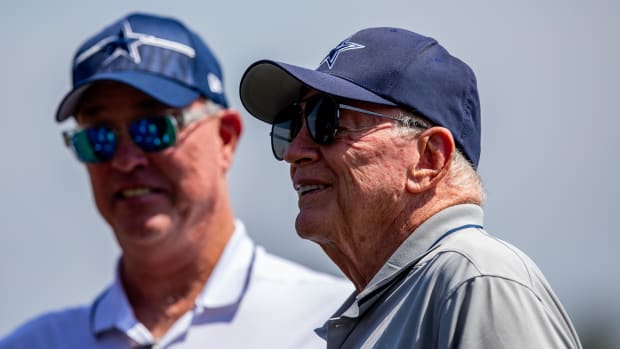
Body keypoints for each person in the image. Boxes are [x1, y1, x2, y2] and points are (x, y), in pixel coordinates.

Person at [0, 12, 352, 349]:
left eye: (154, 128)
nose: (126, 161)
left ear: (225, 139)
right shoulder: (35, 343)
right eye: (99, 137)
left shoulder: (332, 327)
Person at [239, 27, 583, 348]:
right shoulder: (400, 297)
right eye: (291, 125)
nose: (295, 152)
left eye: (326, 119)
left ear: (429, 160)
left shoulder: (477, 279)